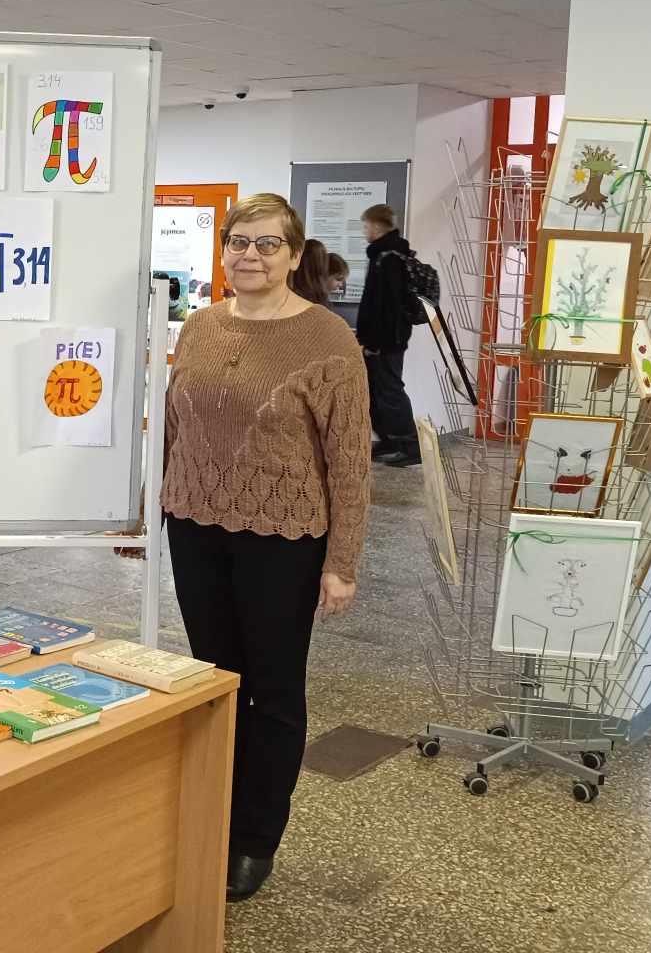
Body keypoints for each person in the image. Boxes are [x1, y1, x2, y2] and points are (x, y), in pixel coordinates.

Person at [161, 193, 370, 902]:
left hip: (283, 537)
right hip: (194, 525)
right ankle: (213, 813)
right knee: (216, 679)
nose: (249, 255)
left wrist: (341, 563)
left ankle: (253, 839)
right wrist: (149, 510)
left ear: (294, 254)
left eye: (267, 244)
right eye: (238, 241)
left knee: (273, 690)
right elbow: (175, 426)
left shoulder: (326, 339)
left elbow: (348, 461)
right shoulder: (200, 325)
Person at [358, 204, 421, 467]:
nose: (364, 231)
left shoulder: (388, 258)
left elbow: (386, 306)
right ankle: (389, 440)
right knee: (376, 390)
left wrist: (374, 342)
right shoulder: (386, 254)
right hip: (387, 339)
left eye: (365, 226)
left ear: (377, 226)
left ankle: (410, 445)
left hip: (387, 341)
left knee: (390, 391)